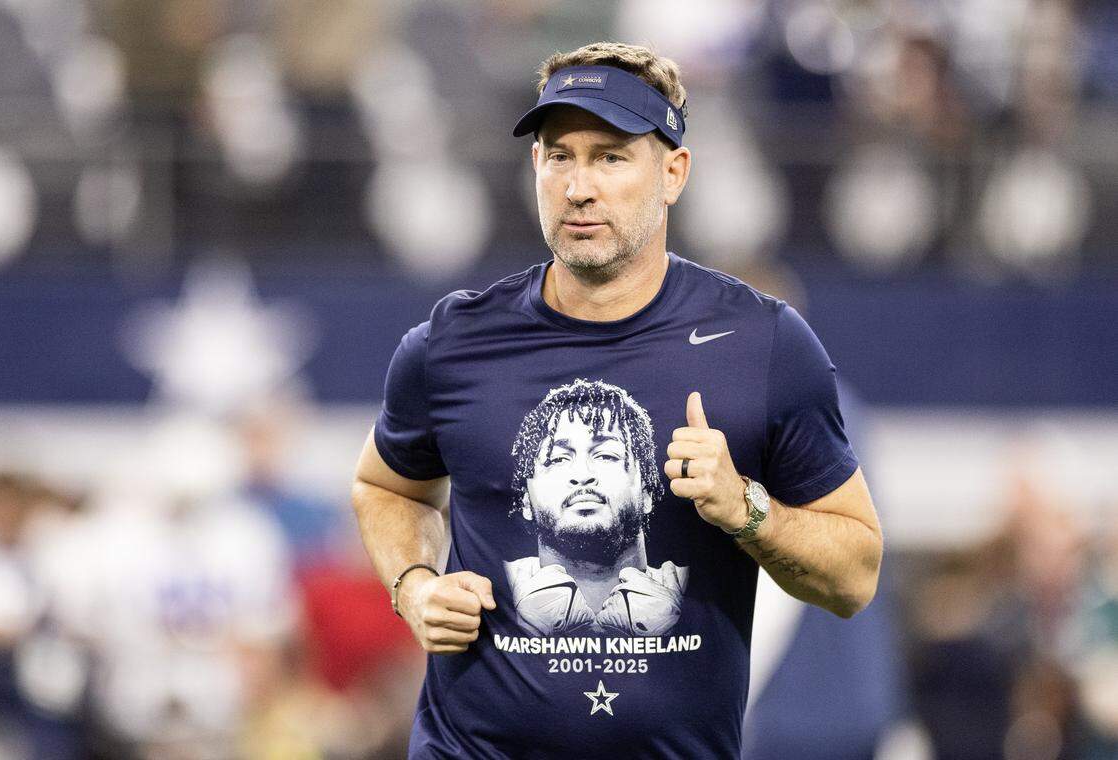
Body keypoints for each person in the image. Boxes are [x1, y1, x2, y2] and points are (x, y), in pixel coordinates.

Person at [352, 41, 883, 758]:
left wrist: (746, 509)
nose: (577, 185)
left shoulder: (764, 344)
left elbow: (854, 575)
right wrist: (414, 584)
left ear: (673, 172)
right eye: (558, 154)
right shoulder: (451, 342)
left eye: (609, 156)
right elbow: (384, 487)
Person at [505, 378, 688, 637]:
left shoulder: (696, 589)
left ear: (647, 492)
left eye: (606, 455)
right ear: (525, 500)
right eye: (558, 458)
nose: (583, 474)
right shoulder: (492, 585)